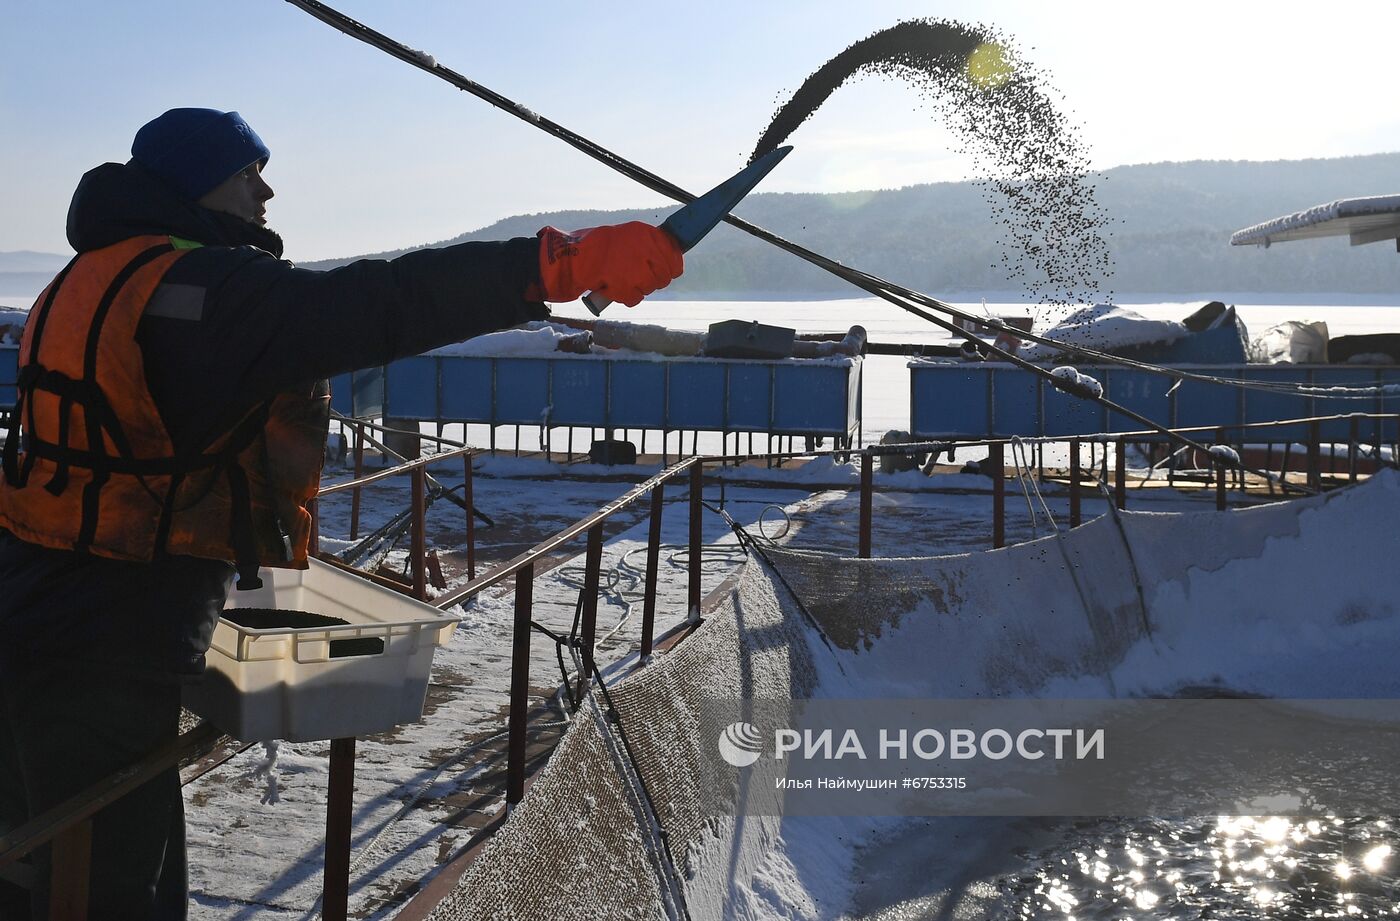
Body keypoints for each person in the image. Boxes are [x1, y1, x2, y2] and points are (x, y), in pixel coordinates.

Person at [0, 107, 682, 919]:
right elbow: (379, 303)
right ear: (196, 181)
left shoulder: (93, 276)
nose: (267, 188)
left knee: (42, 847)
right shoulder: (204, 291)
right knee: (111, 882)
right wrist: (553, 267)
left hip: (34, 597)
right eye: (247, 170)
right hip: (105, 637)